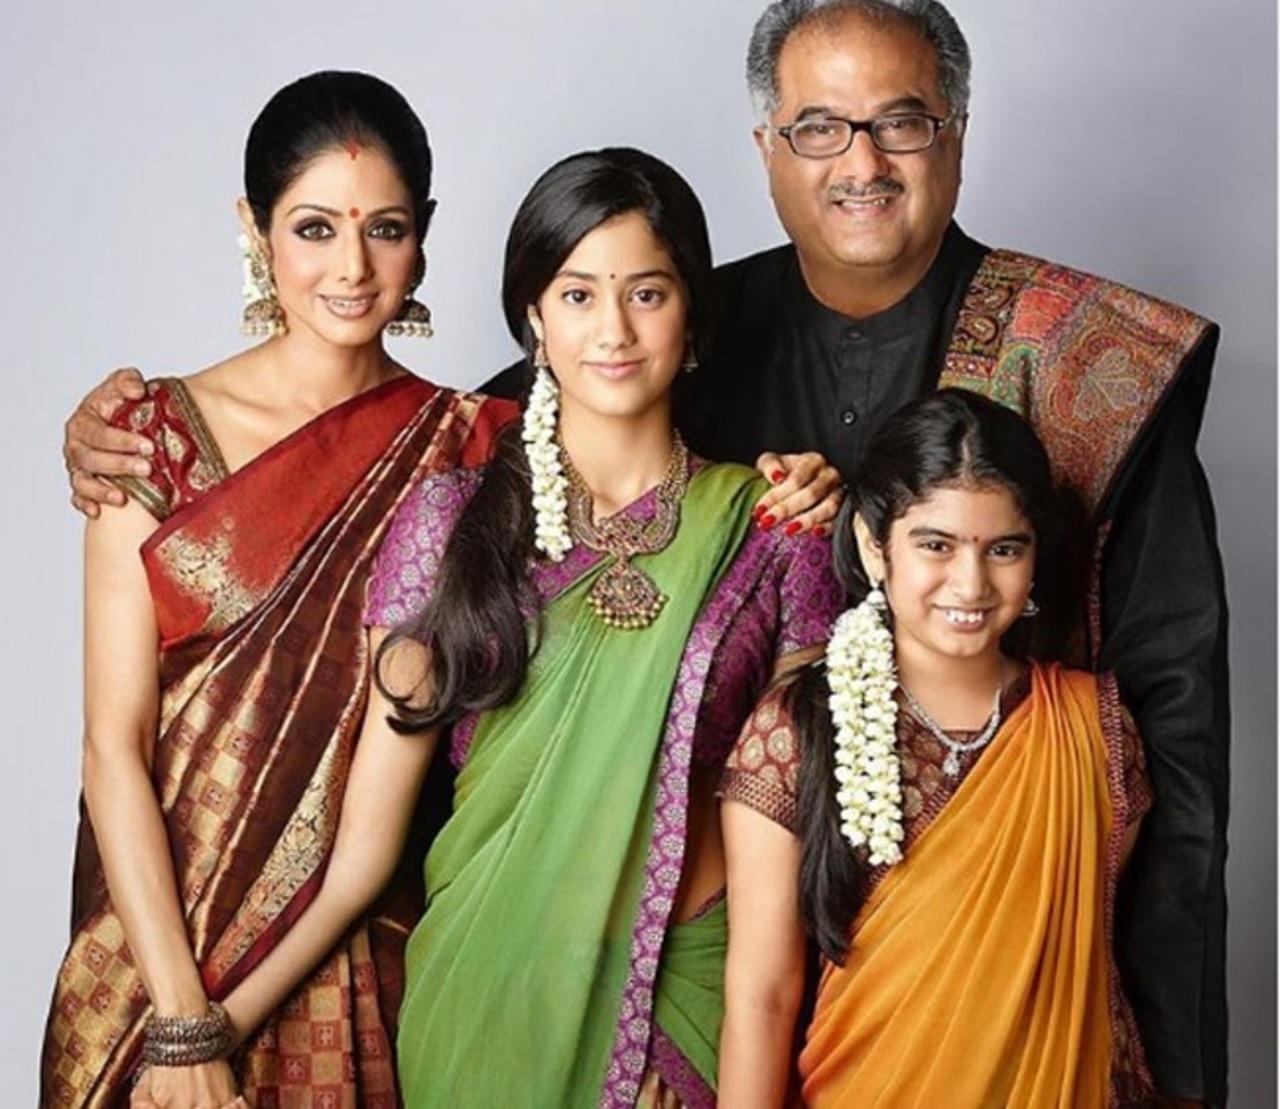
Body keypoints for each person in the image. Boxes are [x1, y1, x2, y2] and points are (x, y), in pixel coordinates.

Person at [58, 2, 1227, 1102]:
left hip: (912, 965)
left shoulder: (1016, 395)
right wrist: (198, 1022)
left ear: (956, 131)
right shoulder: (465, 478)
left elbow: (1163, 743)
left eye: (900, 121)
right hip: (480, 982)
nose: (859, 160)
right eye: (818, 126)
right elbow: (358, 820)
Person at [40, 71, 520, 1108]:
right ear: (254, 229)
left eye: (385, 229)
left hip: (351, 955)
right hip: (146, 959)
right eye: (313, 229)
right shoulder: (147, 438)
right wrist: (182, 1021)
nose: (351, 267)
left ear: (424, 234)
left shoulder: (475, 447)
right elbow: (112, 746)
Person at [355, 147, 843, 1106]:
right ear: (535, 318)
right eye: (578, 295)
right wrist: (204, 1018)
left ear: (692, 314)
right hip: (488, 993)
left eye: (647, 294)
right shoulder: (450, 521)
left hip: (689, 1003)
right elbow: (365, 851)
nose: (613, 330)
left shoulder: (777, 530)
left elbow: (802, 828)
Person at [719, 388, 1156, 1107]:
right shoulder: (796, 731)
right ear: (873, 544)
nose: (971, 584)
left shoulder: (1091, 728)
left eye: (1004, 549)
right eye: (936, 545)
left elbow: (1084, 965)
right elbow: (761, 998)